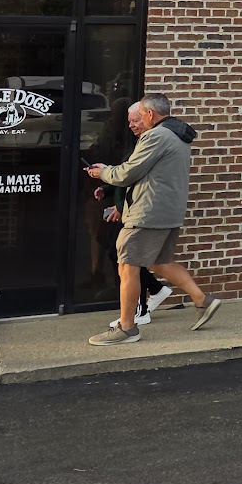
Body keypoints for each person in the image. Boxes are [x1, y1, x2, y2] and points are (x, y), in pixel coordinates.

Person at [83, 94, 220, 345]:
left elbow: (128, 172)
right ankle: (203, 300)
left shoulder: (156, 136)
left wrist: (103, 172)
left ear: (149, 114)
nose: (136, 123)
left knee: (127, 265)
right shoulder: (178, 135)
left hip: (147, 213)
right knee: (160, 262)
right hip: (168, 212)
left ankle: (127, 328)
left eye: (140, 117)